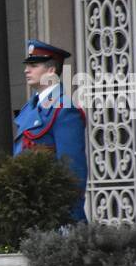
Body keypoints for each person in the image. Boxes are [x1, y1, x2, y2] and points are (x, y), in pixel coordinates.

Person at [14, 38, 89, 222]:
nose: (26, 70)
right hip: (28, 207)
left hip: (54, 212)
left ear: (51, 70)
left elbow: (72, 170)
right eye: (27, 65)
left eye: (34, 65)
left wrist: (67, 214)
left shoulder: (64, 110)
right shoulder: (29, 108)